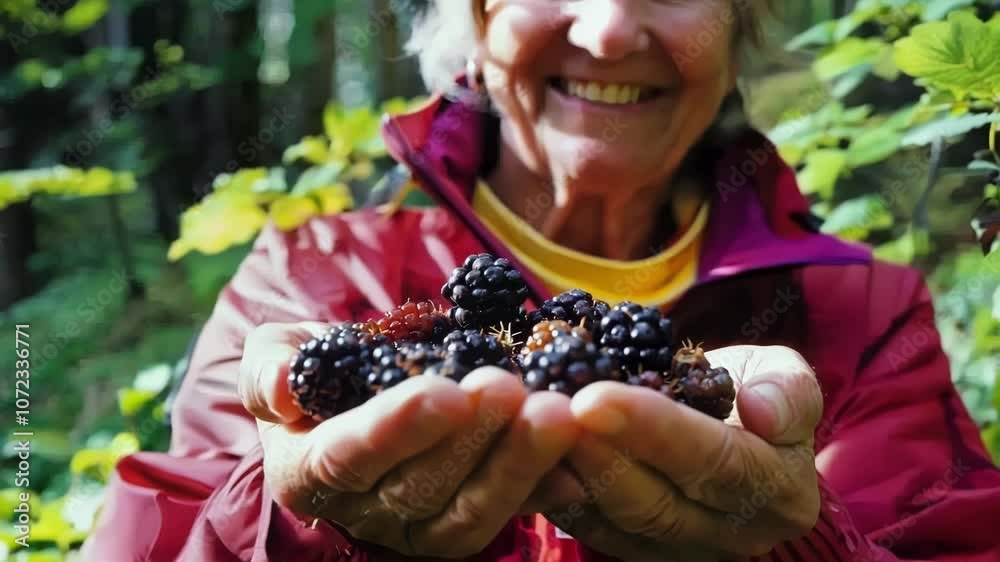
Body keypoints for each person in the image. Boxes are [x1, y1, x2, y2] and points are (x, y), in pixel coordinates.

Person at [83, 1, 1000, 561]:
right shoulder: (312, 278)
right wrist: (306, 528)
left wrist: (798, 546)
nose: (607, 27)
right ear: (474, 19)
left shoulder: (864, 313)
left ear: (739, 26)